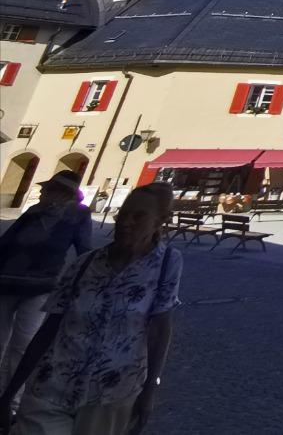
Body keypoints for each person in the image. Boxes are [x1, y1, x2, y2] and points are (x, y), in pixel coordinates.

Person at [1, 183, 181, 435]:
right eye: (123, 214)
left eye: (138, 216)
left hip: (112, 393)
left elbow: (160, 330)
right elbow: (49, 329)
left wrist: (150, 389)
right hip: (52, 386)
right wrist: (9, 393)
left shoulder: (167, 264)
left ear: (160, 221)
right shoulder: (84, 265)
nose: (126, 222)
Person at [0, 174, 93, 408]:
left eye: (48, 189)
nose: (42, 193)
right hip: (7, 282)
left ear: (61, 193)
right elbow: (5, 242)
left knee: (24, 342)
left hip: (41, 286)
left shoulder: (78, 215)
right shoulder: (34, 211)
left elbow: (84, 248)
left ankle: (10, 400)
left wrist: (84, 279)